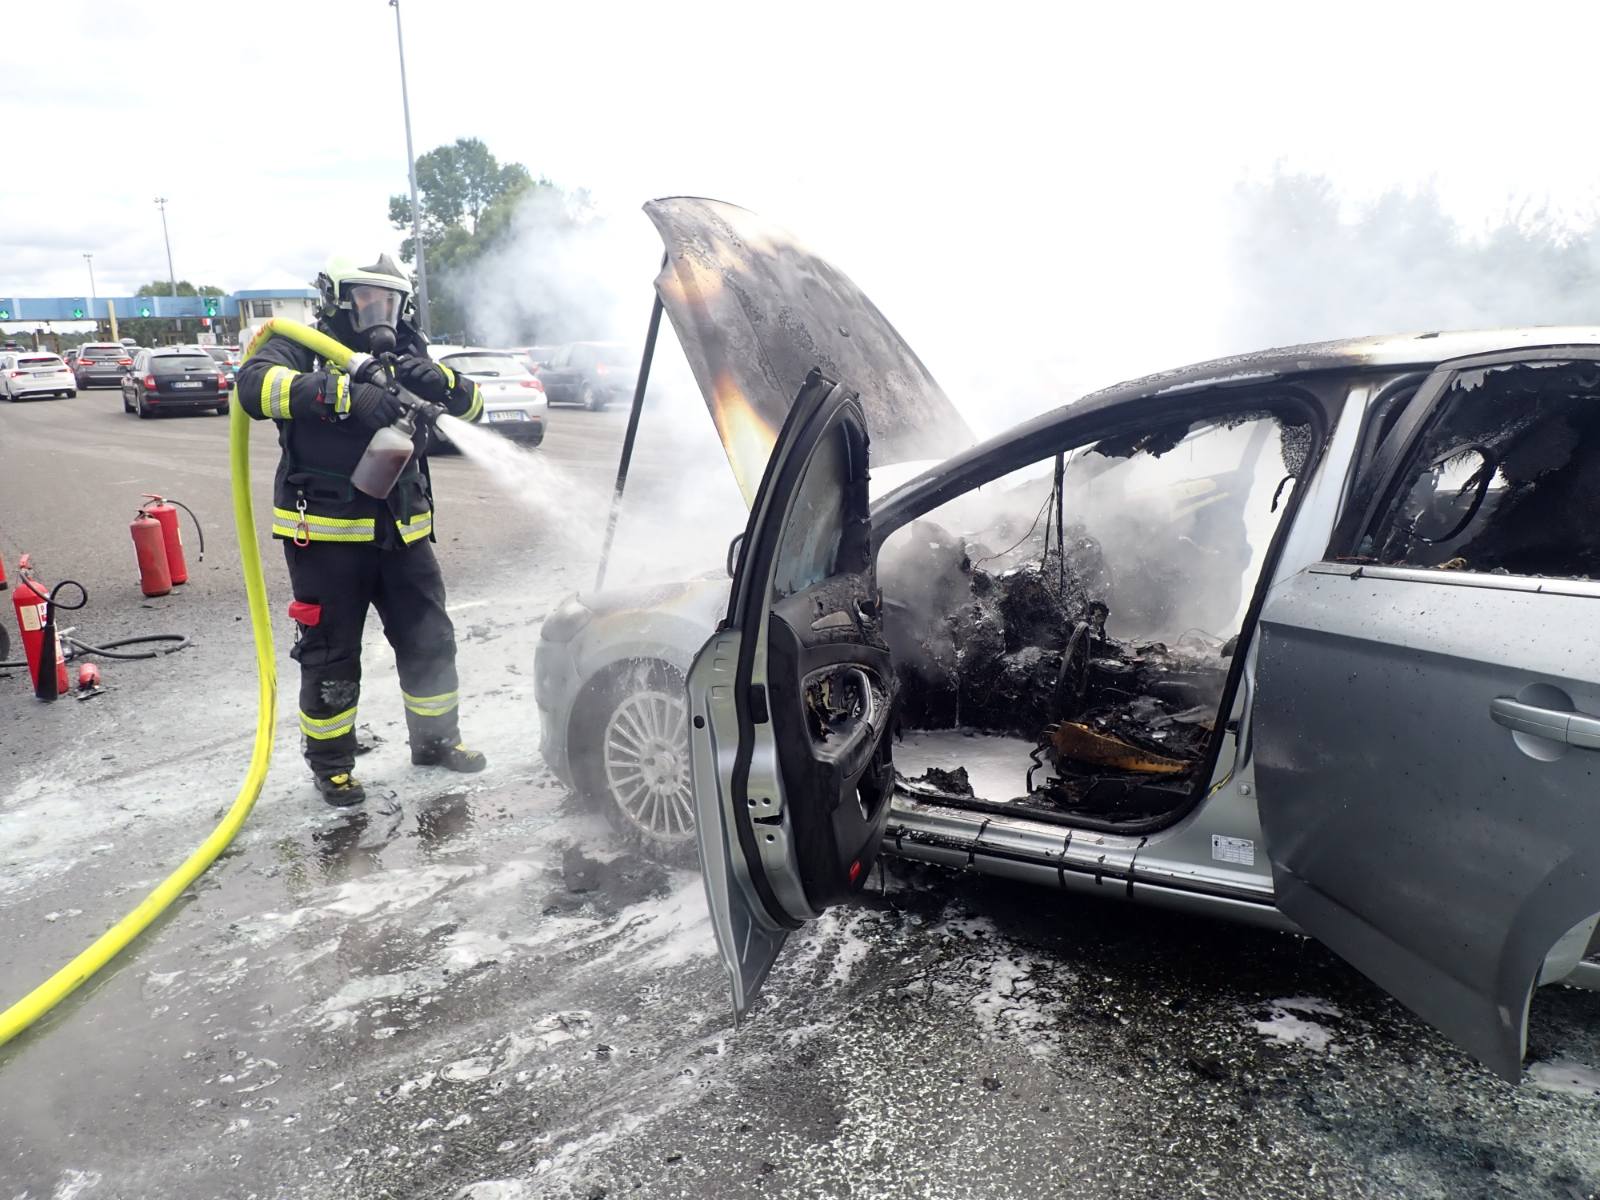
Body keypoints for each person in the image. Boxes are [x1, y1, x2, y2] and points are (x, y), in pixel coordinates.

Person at [236, 253, 487, 805]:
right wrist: (340, 394)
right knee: (332, 654)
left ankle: (437, 742)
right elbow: (253, 387)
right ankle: (332, 766)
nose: (383, 312)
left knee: (430, 641)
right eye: (370, 299)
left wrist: (443, 379)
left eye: (393, 301)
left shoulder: (408, 347)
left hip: (404, 533)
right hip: (325, 536)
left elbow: (472, 410)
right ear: (340, 298)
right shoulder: (302, 342)